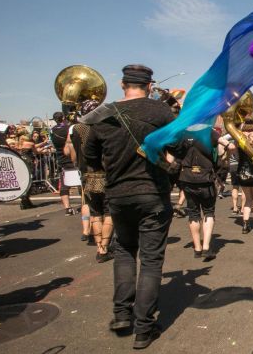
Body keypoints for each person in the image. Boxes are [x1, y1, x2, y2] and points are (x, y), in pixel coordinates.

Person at [85, 64, 184, 349]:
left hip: (118, 195)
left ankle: (121, 314)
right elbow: (179, 148)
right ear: (150, 85)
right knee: (151, 260)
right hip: (152, 193)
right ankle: (144, 327)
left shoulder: (103, 114)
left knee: (125, 252)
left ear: (121, 84)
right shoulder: (160, 112)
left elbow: (90, 155)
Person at [66, 99, 113, 261]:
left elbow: (70, 152)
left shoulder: (75, 129)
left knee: (95, 212)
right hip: (105, 173)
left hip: (86, 174)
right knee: (108, 212)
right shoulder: (105, 127)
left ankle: (99, 246)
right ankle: (105, 248)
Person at [178, 129, 220, 260]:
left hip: (187, 178)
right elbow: (227, 146)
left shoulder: (181, 132)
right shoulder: (208, 132)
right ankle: (206, 247)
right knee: (208, 211)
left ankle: (197, 248)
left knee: (193, 212)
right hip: (205, 178)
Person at [50, 111, 77, 215]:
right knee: (80, 183)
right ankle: (85, 205)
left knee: (65, 184)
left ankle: (68, 209)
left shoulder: (52, 130)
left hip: (61, 158)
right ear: (63, 118)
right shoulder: (69, 128)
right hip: (72, 157)